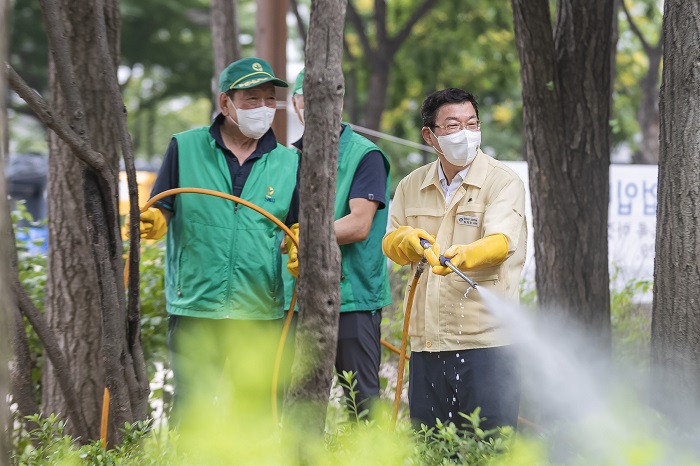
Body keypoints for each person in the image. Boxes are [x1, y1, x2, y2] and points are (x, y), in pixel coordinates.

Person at [135, 57, 300, 424]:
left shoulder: (289, 162)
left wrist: (299, 247)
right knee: (192, 412)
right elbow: (163, 206)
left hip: (259, 308)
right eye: (251, 100)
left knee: (252, 414)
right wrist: (153, 221)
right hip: (196, 305)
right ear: (226, 104)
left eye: (268, 100)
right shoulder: (185, 146)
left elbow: (296, 225)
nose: (262, 109)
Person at [382, 88, 527, 431]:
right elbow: (391, 242)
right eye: (452, 125)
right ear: (430, 135)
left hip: (488, 343)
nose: (465, 133)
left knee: (489, 446)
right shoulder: (410, 185)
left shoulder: (501, 181)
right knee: (431, 445)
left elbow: (502, 241)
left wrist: (466, 254)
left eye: (472, 123)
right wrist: (403, 240)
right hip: (427, 342)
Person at [283, 67, 391, 415]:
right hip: (294, 300)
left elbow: (359, 225)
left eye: (324, 100)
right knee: (292, 402)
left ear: (339, 102)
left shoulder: (364, 155)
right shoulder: (284, 159)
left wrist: (306, 237)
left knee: (362, 406)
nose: (314, 108)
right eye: (306, 100)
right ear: (295, 104)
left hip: (353, 300)